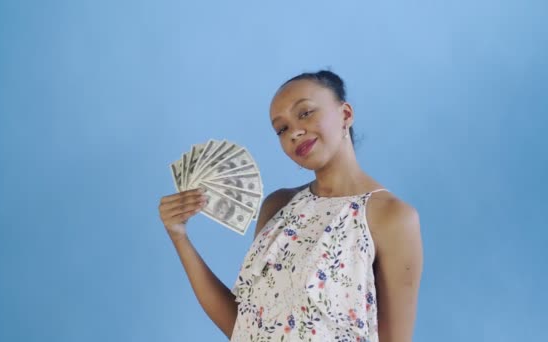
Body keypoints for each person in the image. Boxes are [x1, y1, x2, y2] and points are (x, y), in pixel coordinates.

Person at [158, 70, 423, 341]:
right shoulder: (278, 206)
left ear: (346, 114)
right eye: (281, 128)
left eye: (305, 112)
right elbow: (241, 325)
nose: (294, 132)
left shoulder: (392, 217)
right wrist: (179, 237)